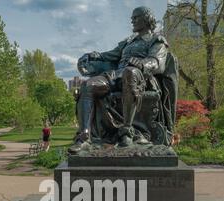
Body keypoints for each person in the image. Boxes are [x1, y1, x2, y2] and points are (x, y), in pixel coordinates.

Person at [69, 6, 173, 155]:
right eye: (132, 18)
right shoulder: (128, 42)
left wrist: (143, 64)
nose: (132, 20)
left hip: (141, 77)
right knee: (88, 85)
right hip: (117, 75)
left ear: (147, 19)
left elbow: (157, 62)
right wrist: (93, 55)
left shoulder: (157, 40)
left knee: (130, 72)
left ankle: (127, 132)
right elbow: (109, 55)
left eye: (136, 17)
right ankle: (84, 138)